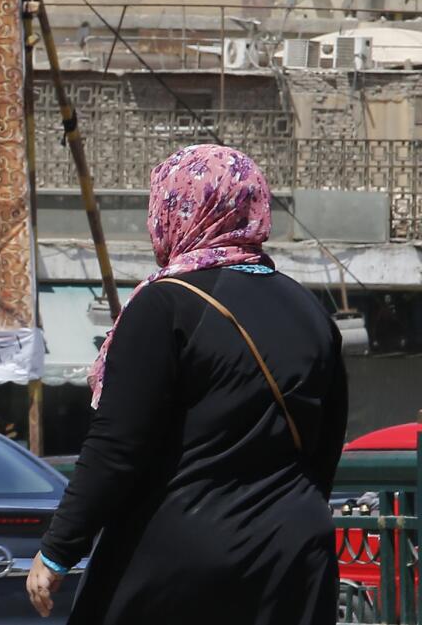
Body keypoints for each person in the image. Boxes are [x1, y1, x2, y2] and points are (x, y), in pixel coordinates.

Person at [26, 144, 348, 625]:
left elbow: (117, 445)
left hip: (184, 559)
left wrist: (57, 550)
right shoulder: (310, 311)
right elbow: (326, 444)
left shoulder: (165, 305)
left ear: (176, 209)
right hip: (296, 555)